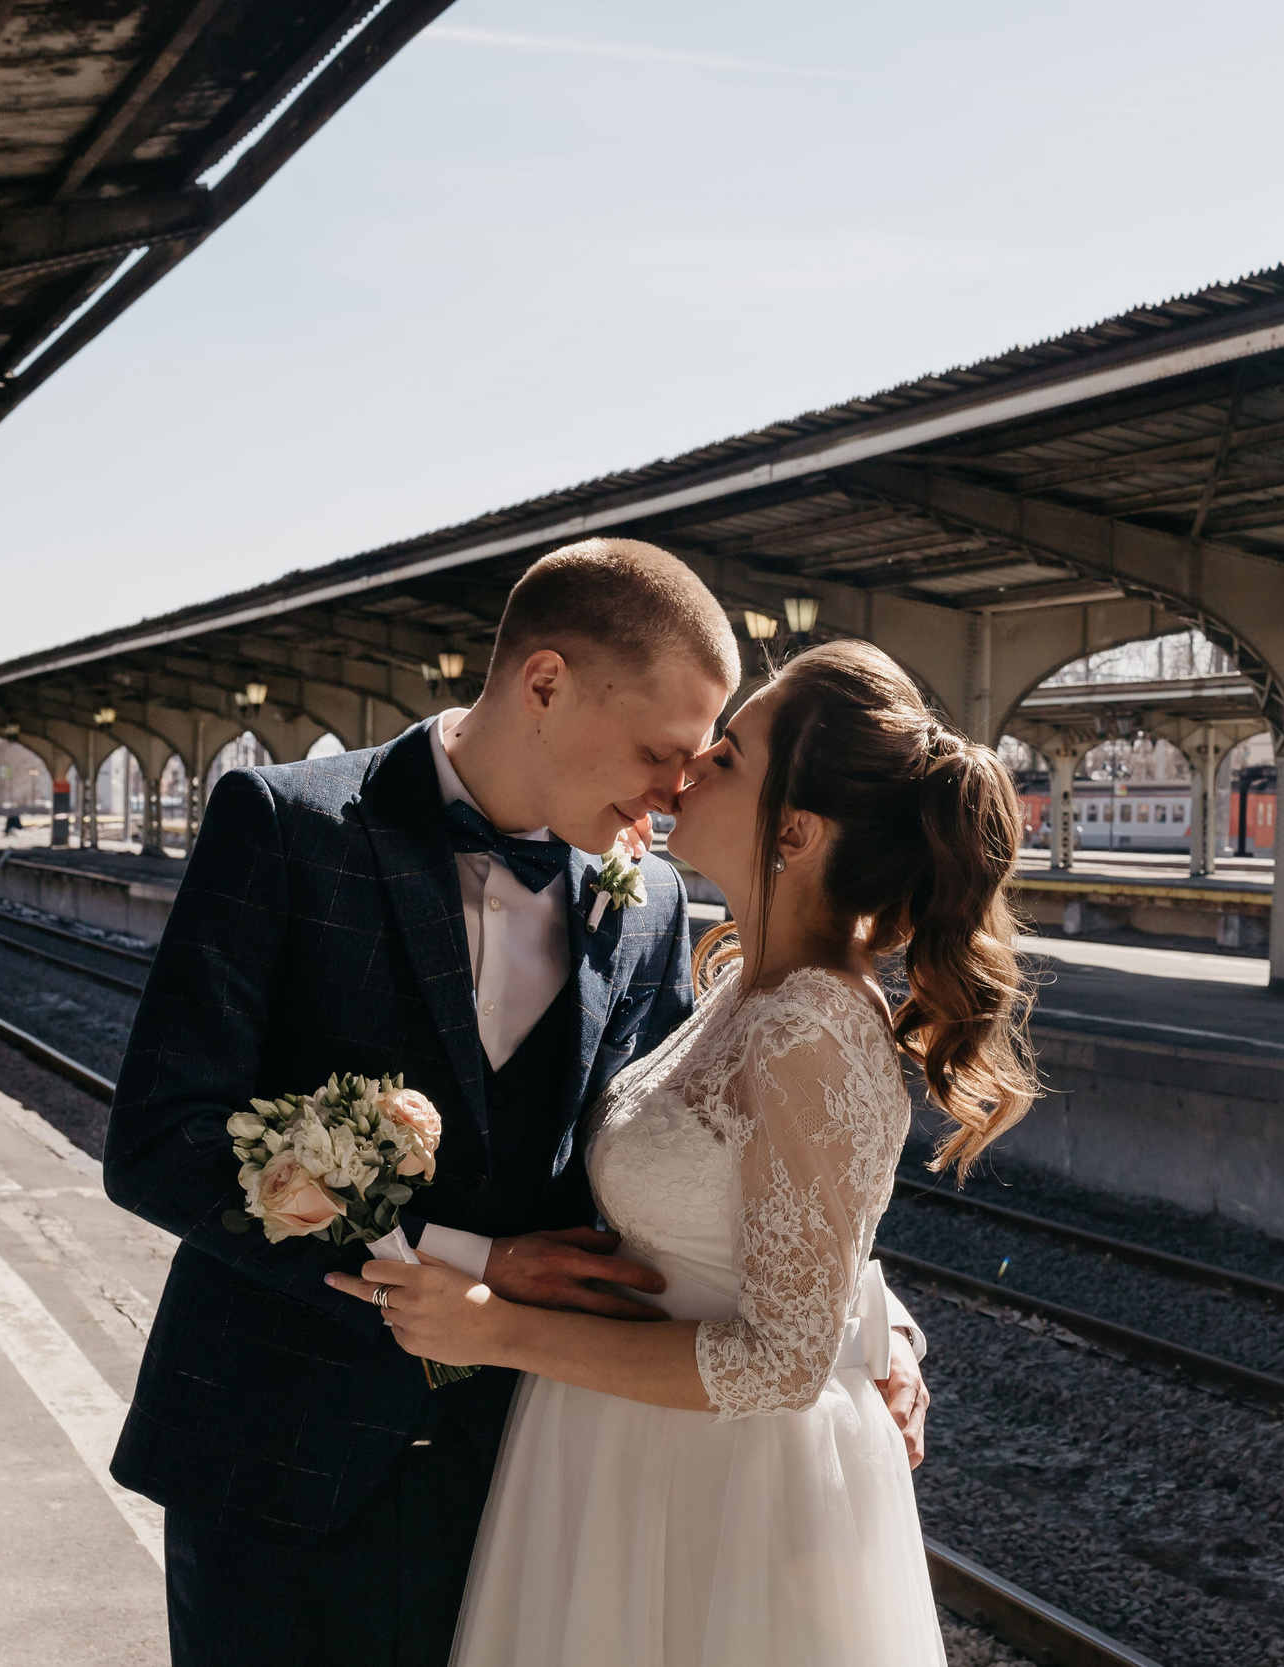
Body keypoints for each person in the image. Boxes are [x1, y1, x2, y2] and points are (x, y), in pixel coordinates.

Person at [101, 540, 932, 1667]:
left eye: (700, 759)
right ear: (543, 683)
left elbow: (714, 1166)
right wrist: (462, 1258)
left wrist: (866, 1328)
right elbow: (160, 1144)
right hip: (281, 1461)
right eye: (657, 749)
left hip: (524, 1480)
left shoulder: (649, 903)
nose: (676, 786)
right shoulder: (287, 828)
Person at [335, 638, 1036, 1667]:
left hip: (718, 1492)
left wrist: (497, 1332)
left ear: (791, 830)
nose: (691, 765)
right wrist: (874, 1318)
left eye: (731, 757)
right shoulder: (742, 991)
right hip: (623, 1447)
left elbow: (784, 1358)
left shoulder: (812, 1026)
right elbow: (778, 1222)